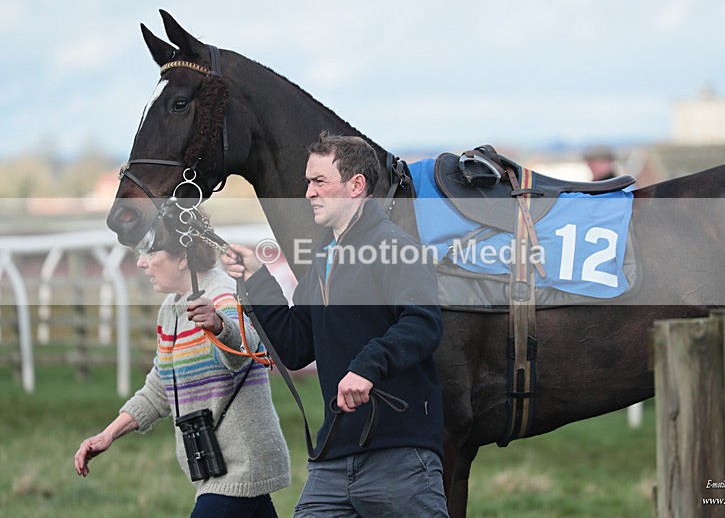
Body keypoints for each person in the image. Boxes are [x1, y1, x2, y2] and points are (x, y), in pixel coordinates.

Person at [221, 131, 449, 517]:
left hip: (399, 458)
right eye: (308, 181)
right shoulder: (324, 259)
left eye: (319, 181)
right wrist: (258, 279)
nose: (309, 192)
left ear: (356, 185)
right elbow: (295, 347)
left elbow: (423, 322)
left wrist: (366, 366)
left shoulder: (398, 246)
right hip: (333, 457)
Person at [74, 228, 290, 518]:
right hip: (215, 469)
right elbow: (160, 388)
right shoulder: (171, 309)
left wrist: (217, 325)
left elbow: (245, 349)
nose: (141, 262)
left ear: (182, 258)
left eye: (150, 253)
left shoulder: (222, 294)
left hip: (241, 467)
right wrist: (108, 434)